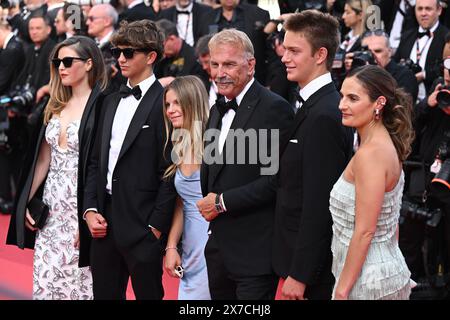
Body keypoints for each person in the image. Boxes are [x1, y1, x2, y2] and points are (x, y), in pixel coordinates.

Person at [6, 35, 108, 300]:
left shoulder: (103, 106)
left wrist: (89, 214)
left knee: (80, 285)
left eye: (67, 61)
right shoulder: (55, 104)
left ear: (88, 64)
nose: (60, 67)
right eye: (57, 62)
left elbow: (101, 166)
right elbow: (43, 160)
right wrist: (26, 202)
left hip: (80, 203)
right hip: (51, 207)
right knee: (46, 281)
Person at [82, 19, 177, 300]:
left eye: (129, 53)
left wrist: (156, 227)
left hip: (143, 224)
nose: (120, 59)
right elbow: (95, 162)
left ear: (151, 57)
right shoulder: (109, 100)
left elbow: (170, 171)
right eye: (116, 52)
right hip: (103, 222)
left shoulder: (165, 103)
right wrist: (89, 208)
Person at [196, 29, 293, 300]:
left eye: (228, 64)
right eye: (214, 64)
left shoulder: (275, 108)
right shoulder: (217, 109)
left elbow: (276, 181)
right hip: (218, 250)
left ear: (250, 65)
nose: (219, 72)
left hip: (254, 252)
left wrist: (222, 202)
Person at [272, 10, 354, 300]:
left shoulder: (325, 115)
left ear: (320, 55)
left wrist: (301, 274)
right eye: (285, 49)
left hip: (311, 275)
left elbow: (320, 204)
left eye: (294, 50)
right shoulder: (312, 105)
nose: (284, 57)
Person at [330, 65, 415, 300]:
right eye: (342, 96)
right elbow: (390, 220)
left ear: (378, 103)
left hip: (368, 282)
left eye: (352, 98)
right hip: (380, 272)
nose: (342, 105)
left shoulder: (372, 154)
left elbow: (366, 230)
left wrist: (342, 291)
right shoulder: (383, 144)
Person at [162, 75, 211, 300]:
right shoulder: (178, 144)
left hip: (212, 244)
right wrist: (171, 246)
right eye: (167, 104)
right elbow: (182, 204)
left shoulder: (214, 144)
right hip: (190, 248)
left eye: (177, 103)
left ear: (193, 102)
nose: (170, 110)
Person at [393, 0, 448, 101]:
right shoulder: (406, 36)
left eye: (428, 9)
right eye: (419, 9)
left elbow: (446, 66)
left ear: (439, 10)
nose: (423, 13)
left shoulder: (446, 37)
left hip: (435, 101)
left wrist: (424, 75)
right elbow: (395, 64)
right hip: (405, 101)